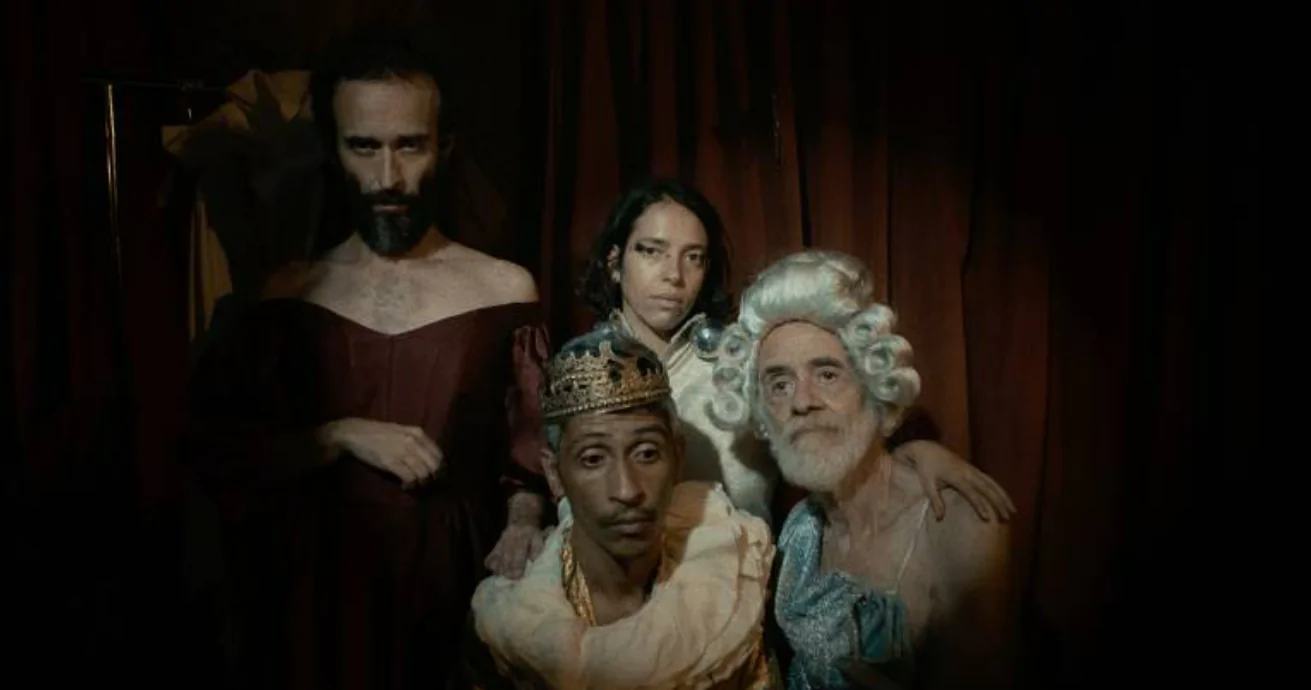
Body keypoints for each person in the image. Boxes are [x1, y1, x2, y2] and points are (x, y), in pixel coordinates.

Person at [187, 28, 551, 690]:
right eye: (364, 147)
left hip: (457, 588)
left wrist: (525, 520)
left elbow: (532, 446)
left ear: (443, 147)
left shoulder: (504, 290)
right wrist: (336, 435)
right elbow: (226, 453)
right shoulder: (287, 294)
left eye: (409, 146)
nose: (387, 178)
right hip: (319, 601)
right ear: (334, 150)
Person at [580, 178, 1015, 526]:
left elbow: (833, 429)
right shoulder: (577, 371)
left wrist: (916, 455)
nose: (674, 275)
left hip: (734, 586)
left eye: (693, 257)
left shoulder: (744, 362)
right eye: (652, 251)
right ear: (615, 262)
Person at [709, 250, 1013, 689]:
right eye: (780, 384)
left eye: (827, 374)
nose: (802, 401)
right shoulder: (799, 529)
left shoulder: (959, 528)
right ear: (760, 413)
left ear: (873, 387)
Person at [464, 326, 779, 689]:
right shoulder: (506, 628)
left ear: (677, 457)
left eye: (647, 454)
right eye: (593, 459)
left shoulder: (736, 588)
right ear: (554, 474)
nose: (627, 490)